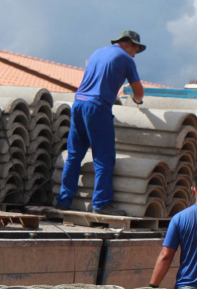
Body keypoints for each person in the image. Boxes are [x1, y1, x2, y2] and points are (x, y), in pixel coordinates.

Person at [55, 30, 146, 216]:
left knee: (74, 155)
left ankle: (63, 201)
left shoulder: (97, 53)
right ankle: (101, 203)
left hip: (79, 104)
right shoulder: (127, 59)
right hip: (97, 108)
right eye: (136, 48)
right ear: (128, 43)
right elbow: (138, 91)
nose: (136, 53)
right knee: (104, 158)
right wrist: (138, 102)